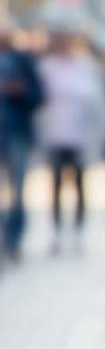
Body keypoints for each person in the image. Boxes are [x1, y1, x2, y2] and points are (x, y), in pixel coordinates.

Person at [36, 30, 105, 251]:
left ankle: (79, 227)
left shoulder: (86, 68)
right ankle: (57, 228)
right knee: (56, 183)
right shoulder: (47, 68)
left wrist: (100, 132)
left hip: (80, 134)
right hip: (54, 133)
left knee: (79, 183)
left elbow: (98, 101)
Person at [0, 22, 44, 262]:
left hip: (17, 133)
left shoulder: (23, 61)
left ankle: (14, 237)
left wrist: (20, 91)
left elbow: (38, 96)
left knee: (17, 190)